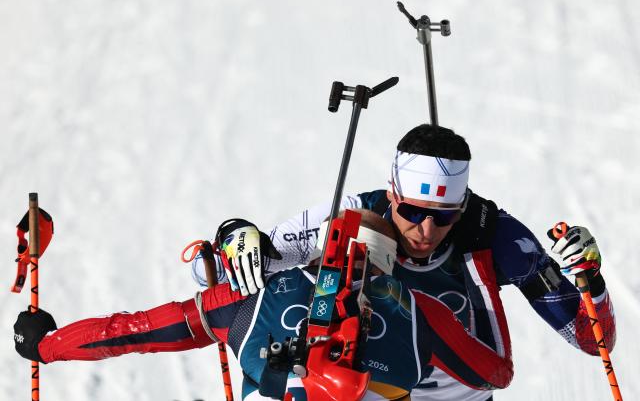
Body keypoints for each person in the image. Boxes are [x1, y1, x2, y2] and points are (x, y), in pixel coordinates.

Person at [197, 124, 616, 401]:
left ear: (463, 204)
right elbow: (235, 265)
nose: (427, 230)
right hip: (372, 389)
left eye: (445, 216)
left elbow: (591, 339)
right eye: (413, 212)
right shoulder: (355, 215)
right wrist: (235, 236)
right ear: (392, 194)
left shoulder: (499, 235)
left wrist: (589, 280)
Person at [14, 210, 513, 400]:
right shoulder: (422, 312)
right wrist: (481, 273)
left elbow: (138, 330)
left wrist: (49, 345)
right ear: (386, 267)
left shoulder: (246, 299)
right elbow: (494, 374)